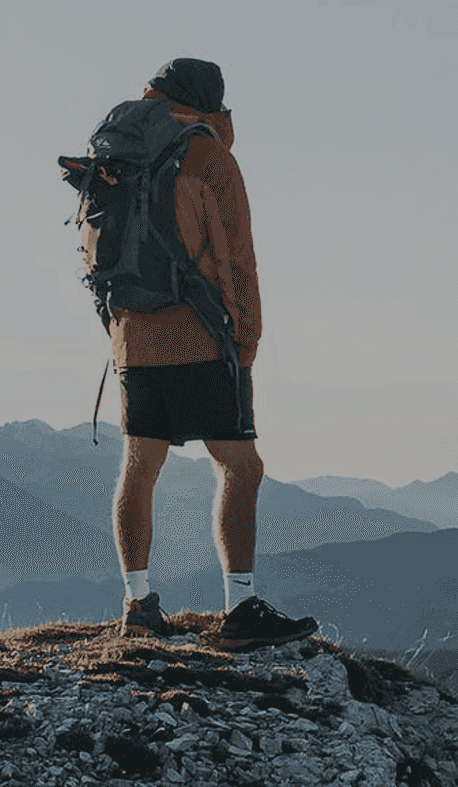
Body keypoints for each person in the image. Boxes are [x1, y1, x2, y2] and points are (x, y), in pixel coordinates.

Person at [97, 57, 318, 648]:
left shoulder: (119, 156)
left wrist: (121, 333)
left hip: (133, 338)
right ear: (213, 105)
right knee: (241, 466)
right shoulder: (209, 158)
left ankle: (137, 605)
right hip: (202, 336)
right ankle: (240, 610)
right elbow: (237, 262)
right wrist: (245, 346)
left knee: (139, 468)